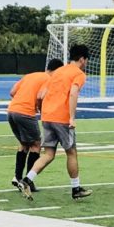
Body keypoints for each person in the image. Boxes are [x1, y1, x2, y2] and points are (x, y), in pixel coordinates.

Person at [21, 44, 91, 200]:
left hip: (47, 117)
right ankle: (76, 188)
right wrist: (71, 117)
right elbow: (73, 94)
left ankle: (27, 179)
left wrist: (43, 111)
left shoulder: (58, 71)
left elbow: (41, 94)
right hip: (62, 118)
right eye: (86, 60)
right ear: (81, 59)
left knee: (49, 154)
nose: (86, 63)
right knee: (71, 152)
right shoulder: (78, 74)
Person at [7, 59, 56, 192]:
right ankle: (28, 181)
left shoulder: (30, 75)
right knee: (36, 144)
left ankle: (17, 177)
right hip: (26, 113)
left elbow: (12, 92)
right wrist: (40, 109)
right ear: (56, 71)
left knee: (24, 143)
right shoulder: (49, 79)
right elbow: (41, 97)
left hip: (11, 111)